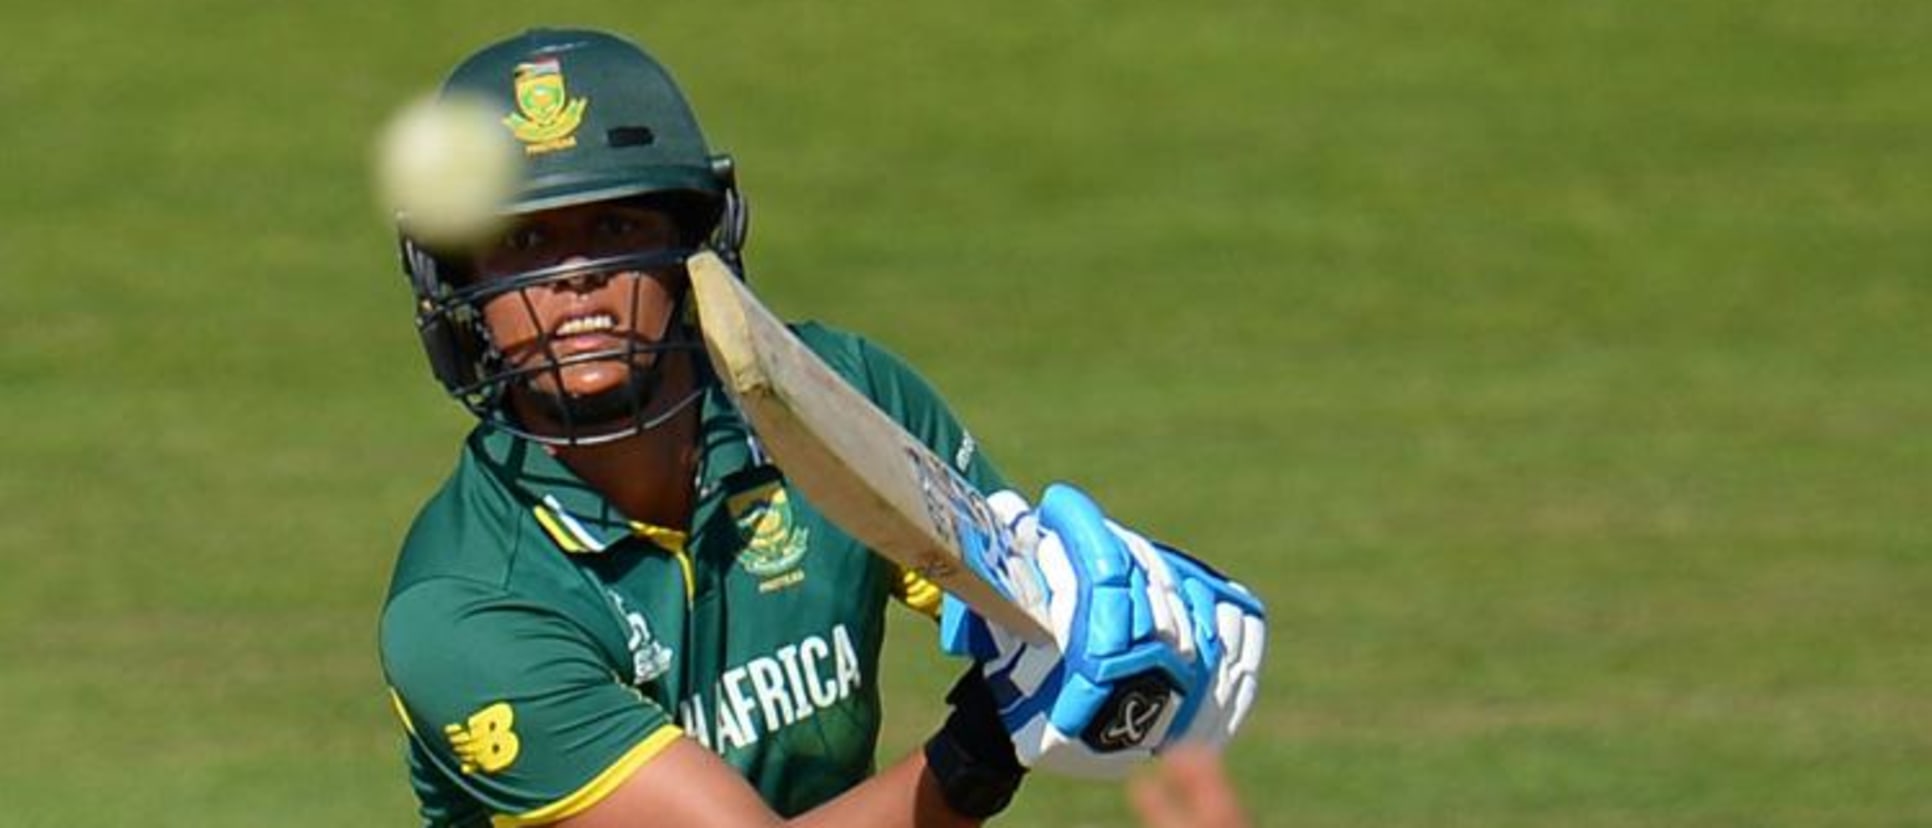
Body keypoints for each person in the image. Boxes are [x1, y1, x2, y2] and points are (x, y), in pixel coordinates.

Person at [377, 27, 1266, 828]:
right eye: (526, 243)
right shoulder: (462, 610)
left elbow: (1022, 597)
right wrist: (985, 749)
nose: (579, 279)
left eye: (617, 225)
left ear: (691, 245)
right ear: (459, 292)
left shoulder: (831, 397)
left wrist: (1131, 648)